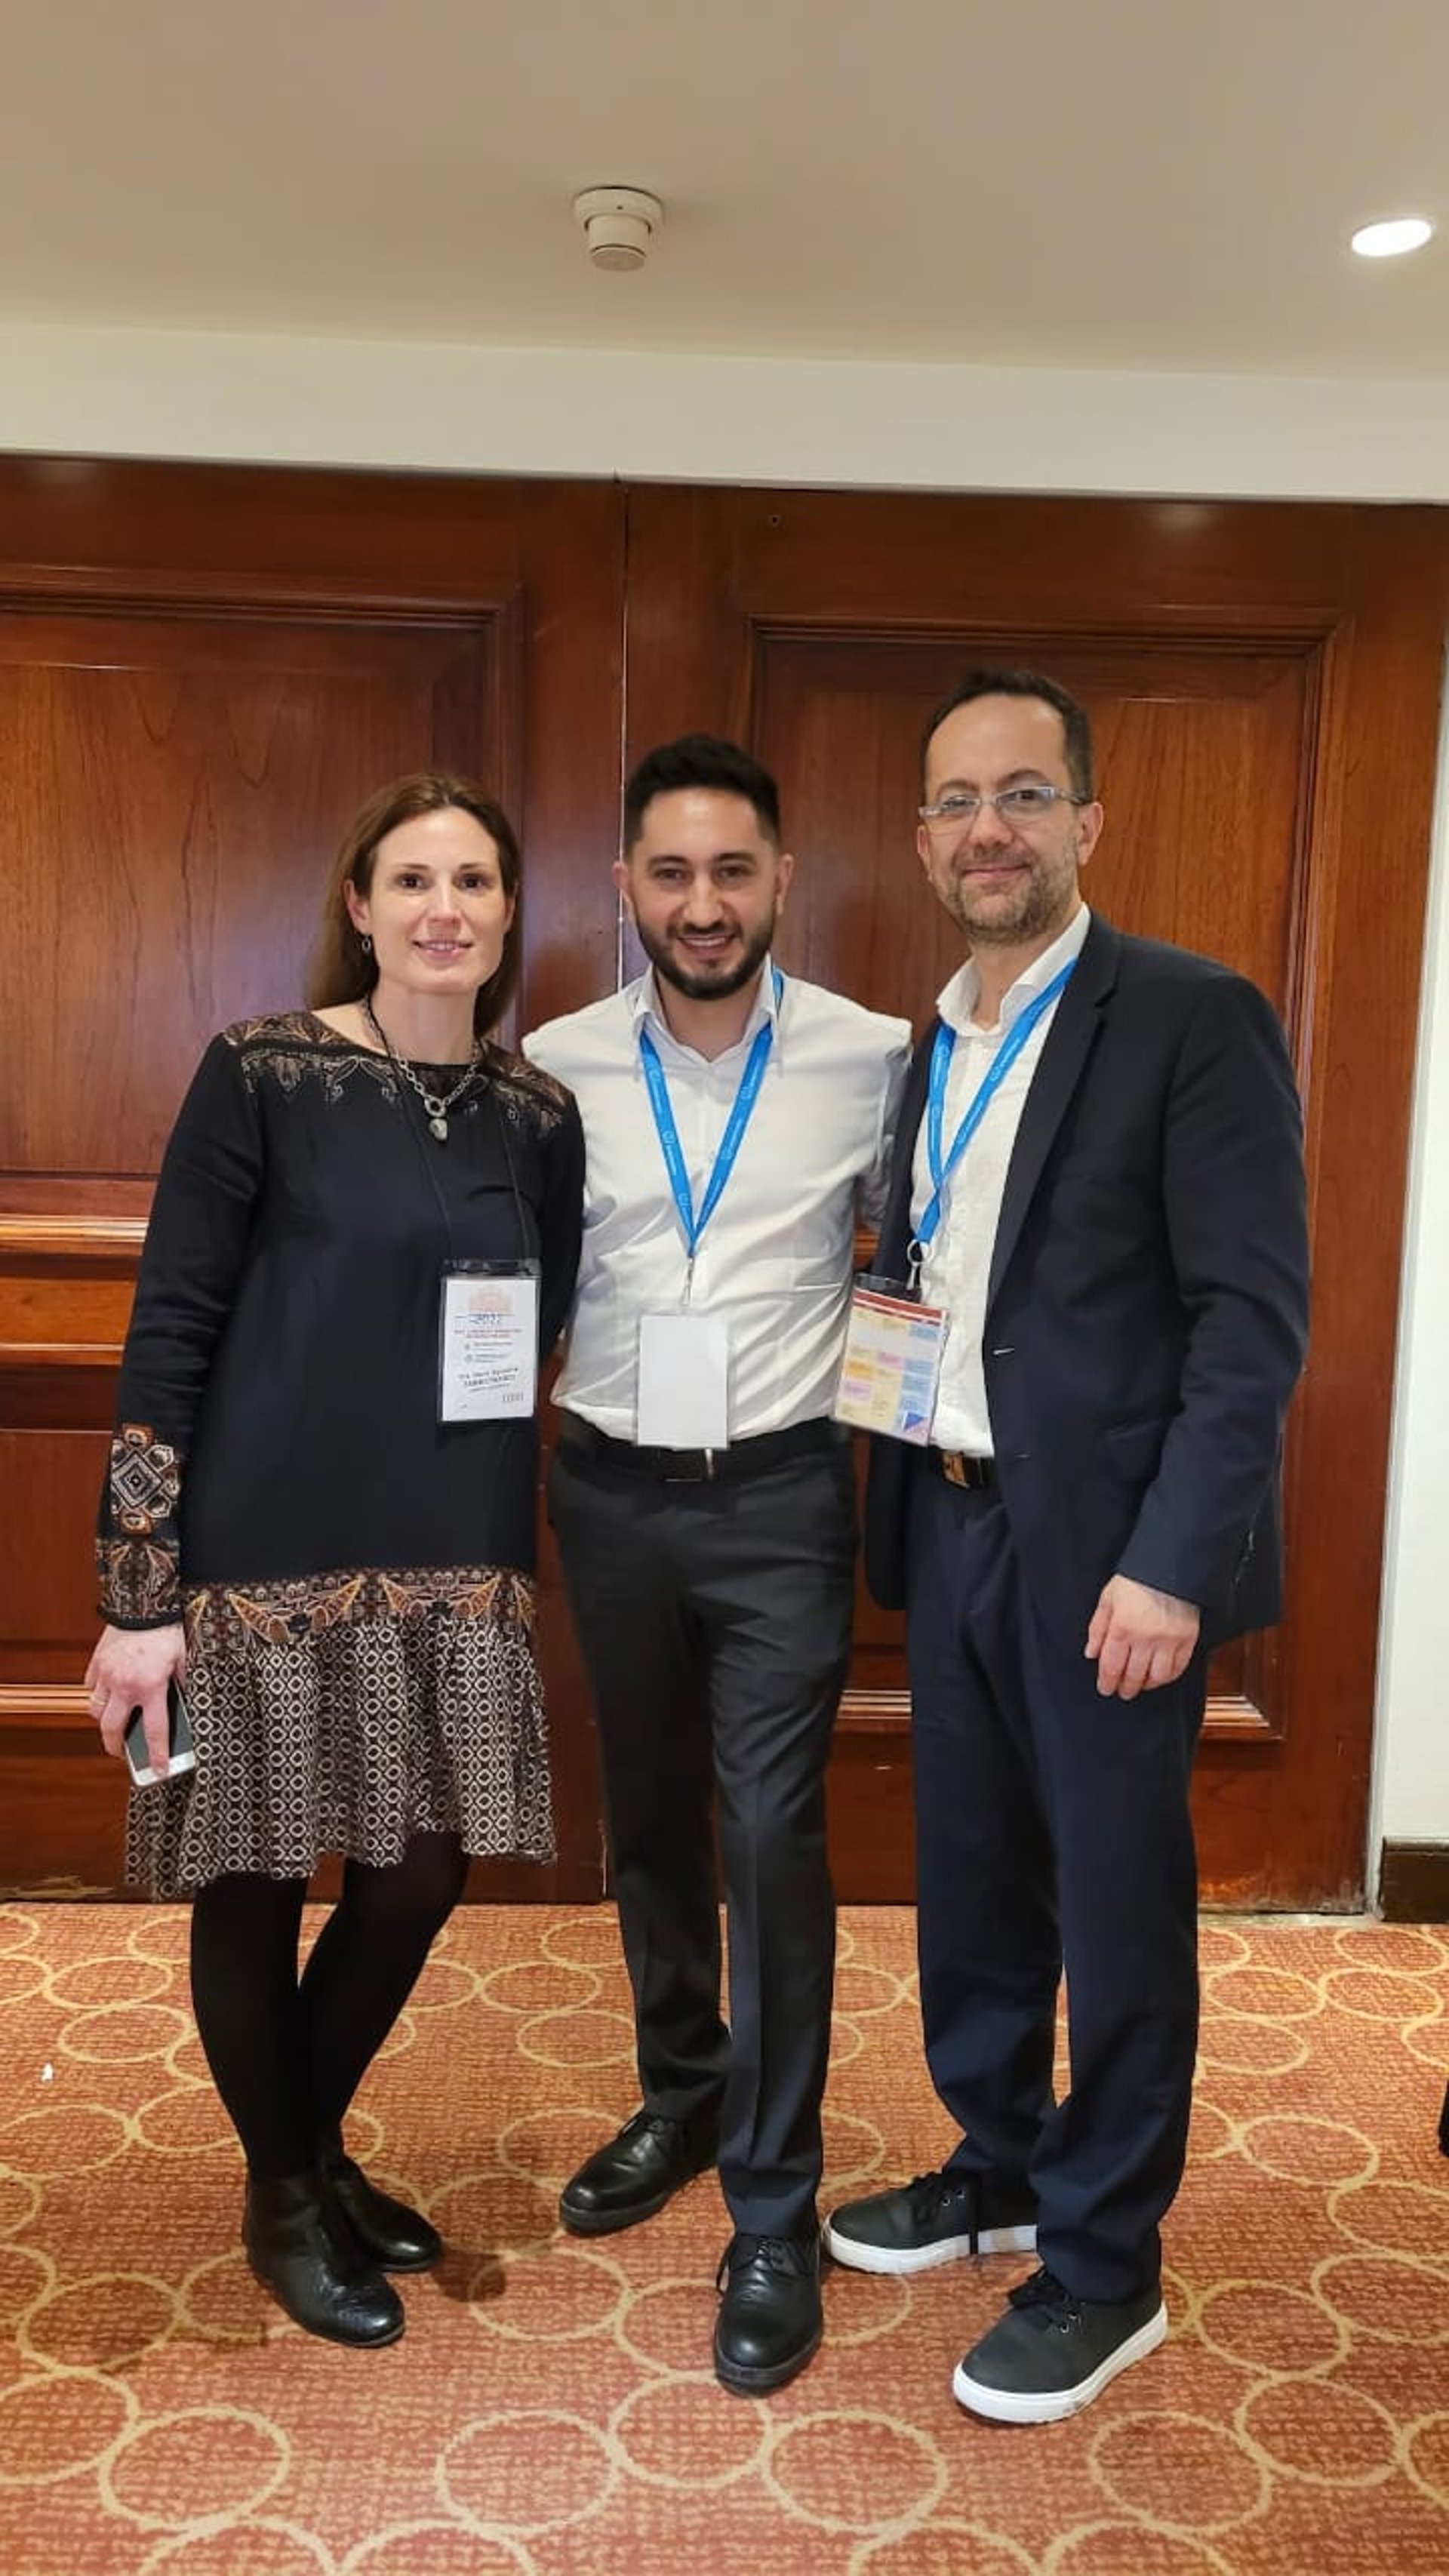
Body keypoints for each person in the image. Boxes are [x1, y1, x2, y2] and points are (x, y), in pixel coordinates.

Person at [824, 671, 1309, 2424]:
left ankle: (1106, 2263)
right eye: (955, 802)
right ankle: (1003, 2158)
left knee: (1115, 1908)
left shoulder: (1191, 1016)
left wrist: (1177, 1561)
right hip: (951, 1522)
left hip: (1112, 1553)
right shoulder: (928, 1040)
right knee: (974, 1878)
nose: (987, 831)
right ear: (925, 838)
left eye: (1023, 796)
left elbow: (1250, 1321)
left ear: (1086, 824)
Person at [85, 773, 584, 2350]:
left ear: (509, 917)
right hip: (258, 1559)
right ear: (359, 906)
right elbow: (170, 1326)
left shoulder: (538, 1118)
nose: (448, 907)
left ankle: (301, 2147)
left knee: (417, 1874)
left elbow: (542, 1320)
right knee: (251, 1878)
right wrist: (138, 1596)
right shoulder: (262, 1074)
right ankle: (290, 2193)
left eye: (477, 882)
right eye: (413, 879)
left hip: (455, 1553)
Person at [523, 734, 910, 2395]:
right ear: (625, 887)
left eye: (732, 871)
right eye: (669, 874)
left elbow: (924, 1256)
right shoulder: (548, 1066)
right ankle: (683, 2086)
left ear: (783, 880)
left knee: (770, 1826)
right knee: (652, 1808)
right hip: (604, 1485)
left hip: (777, 1497)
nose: (702, 904)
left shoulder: (878, 1057)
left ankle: (774, 2201)